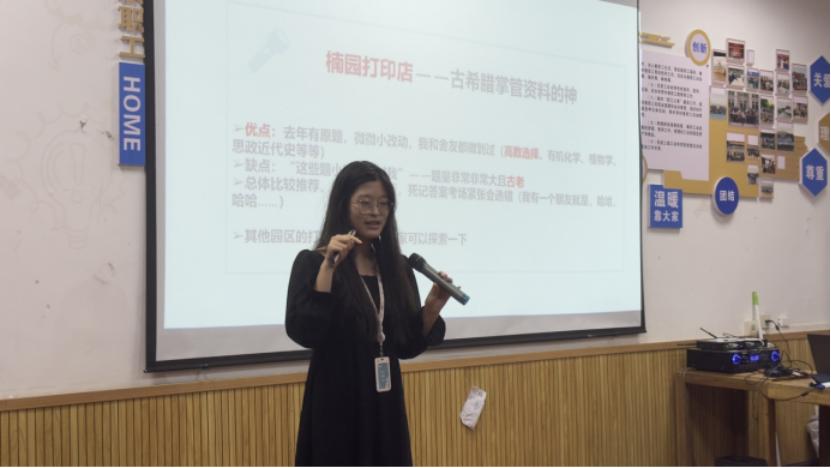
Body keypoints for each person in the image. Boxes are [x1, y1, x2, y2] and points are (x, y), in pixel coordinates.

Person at [286, 161, 452, 466]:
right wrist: (329, 268)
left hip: (385, 403)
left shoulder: (397, 268)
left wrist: (430, 310)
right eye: (365, 203)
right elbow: (307, 332)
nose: (375, 212)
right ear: (343, 204)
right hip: (335, 402)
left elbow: (405, 346)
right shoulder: (313, 263)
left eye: (383, 203)